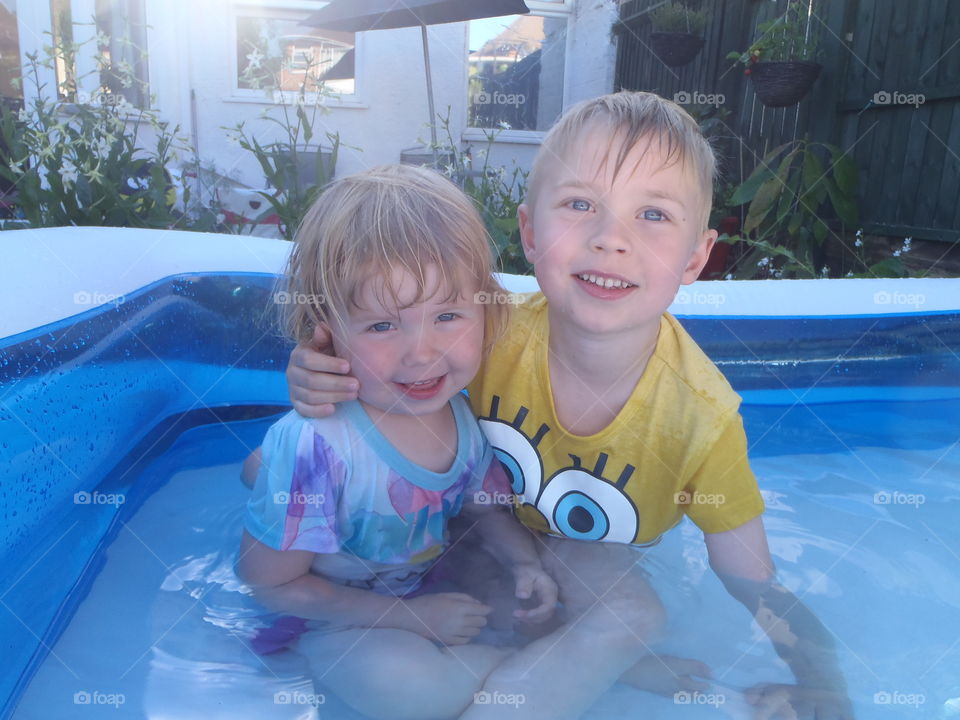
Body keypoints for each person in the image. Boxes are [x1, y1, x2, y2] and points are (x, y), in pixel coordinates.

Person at [283, 92, 854, 720]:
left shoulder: (700, 418)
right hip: (454, 548)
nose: (611, 239)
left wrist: (822, 681)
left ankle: (588, 661)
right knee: (400, 685)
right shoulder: (482, 334)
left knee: (633, 613)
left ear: (696, 257)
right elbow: (381, 367)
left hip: (584, 573)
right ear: (530, 231)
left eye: (653, 214)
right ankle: (595, 667)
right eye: (580, 204)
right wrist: (316, 376)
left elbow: (753, 579)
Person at [237, 164, 559, 720]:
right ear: (325, 327)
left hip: (426, 585)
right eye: (383, 325)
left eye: (449, 315)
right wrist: (413, 619)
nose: (423, 353)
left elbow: (484, 510)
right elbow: (270, 586)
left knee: (551, 604)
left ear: (486, 309)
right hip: (332, 616)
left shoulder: (461, 415)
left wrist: (524, 562)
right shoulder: (317, 447)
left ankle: (535, 660)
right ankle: (545, 670)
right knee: (406, 689)